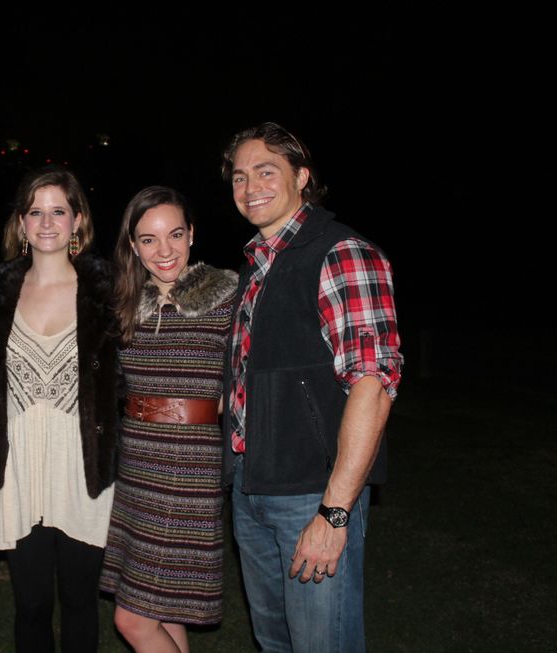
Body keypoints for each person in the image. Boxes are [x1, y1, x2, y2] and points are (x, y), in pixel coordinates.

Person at [221, 122, 402, 652]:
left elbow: (374, 383)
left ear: (301, 177)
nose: (249, 186)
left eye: (265, 171)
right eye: (238, 176)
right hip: (252, 489)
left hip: (311, 496)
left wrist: (335, 510)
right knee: (275, 643)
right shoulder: (255, 266)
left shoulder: (342, 251)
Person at [0, 167, 118, 653]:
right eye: (35, 211)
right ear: (21, 223)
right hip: (19, 469)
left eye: (59, 210)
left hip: (82, 470)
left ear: (78, 220)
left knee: (80, 604)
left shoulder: (107, 290)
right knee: (30, 606)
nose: (47, 222)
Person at [99, 186, 239, 652]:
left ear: (192, 234)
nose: (164, 251)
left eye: (175, 235)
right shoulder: (123, 305)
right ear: (133, 246)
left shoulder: (226, 297)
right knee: (164, 609)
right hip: (137, 464)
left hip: (189, 466)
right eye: (149, 240)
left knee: (132, 620)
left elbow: (246, 376)